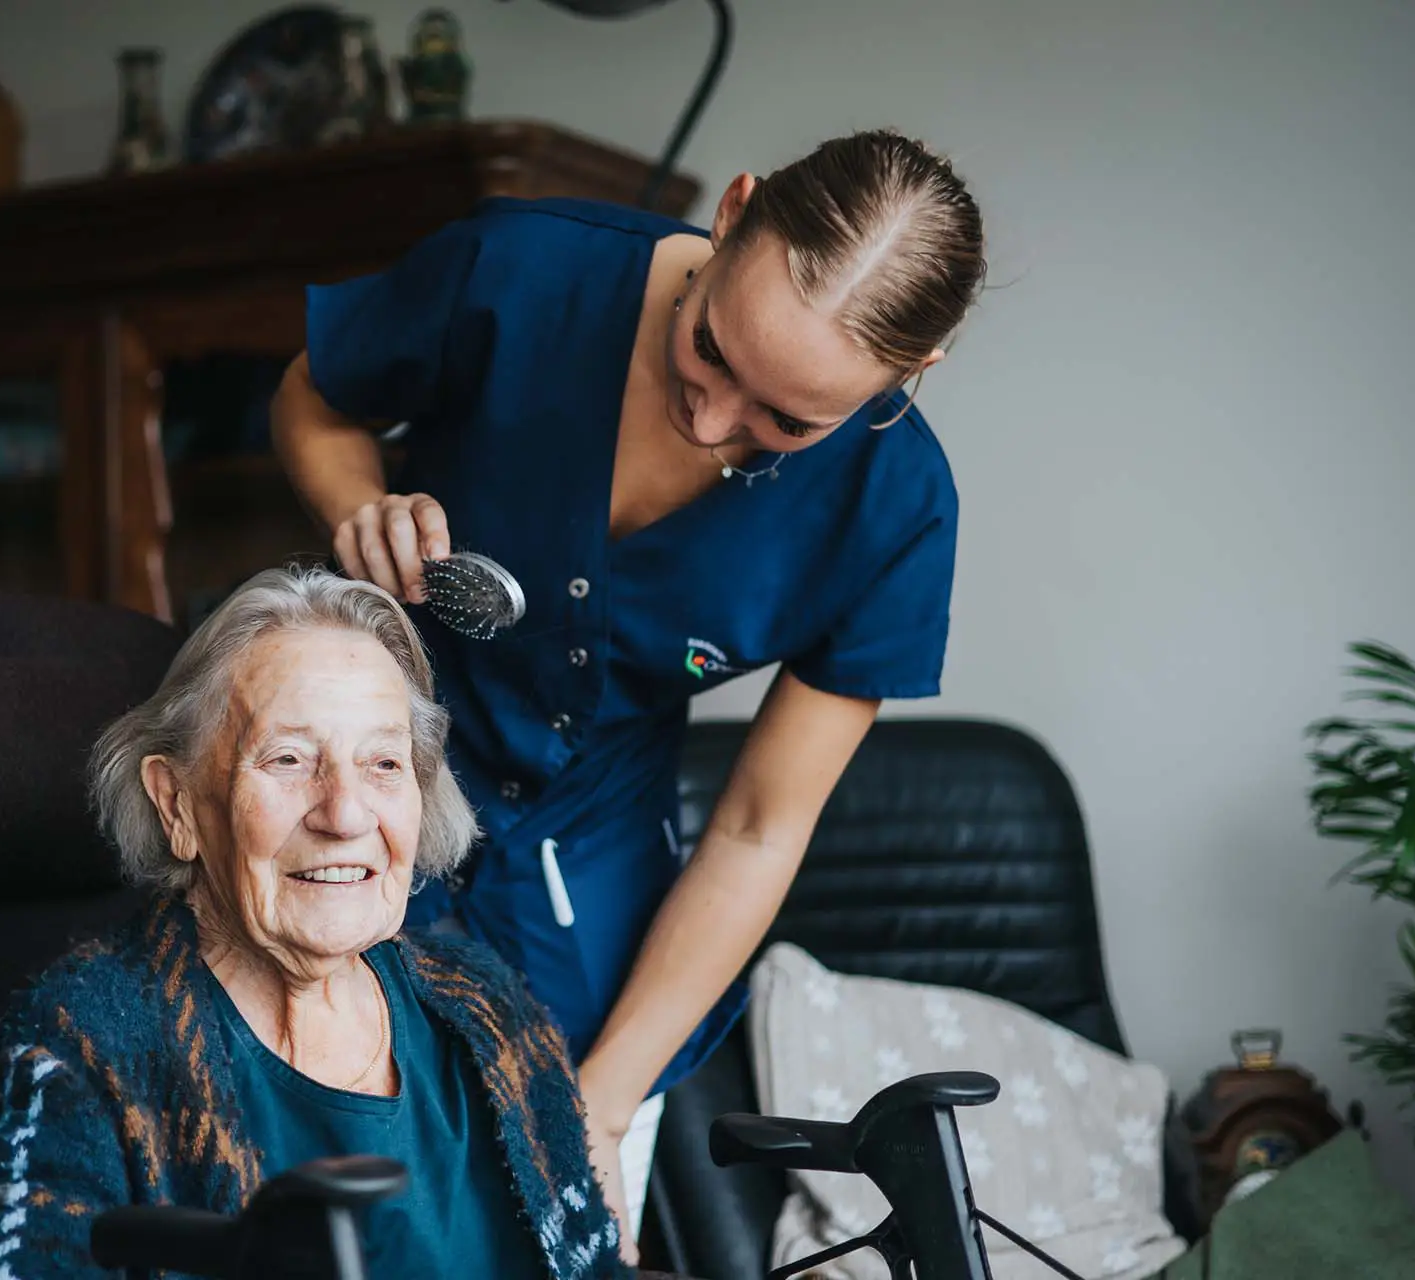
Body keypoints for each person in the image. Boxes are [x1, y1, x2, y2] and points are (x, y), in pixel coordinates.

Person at [270, 128, 987, 1253]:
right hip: (367, 746)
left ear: (911, 371)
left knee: (545, 1208)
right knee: (311, 1154)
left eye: (785, 423)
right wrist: (357, 502)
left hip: (592, 830)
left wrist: (601, 1105)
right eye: (711, 350)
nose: (710, 422)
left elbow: (758, 827)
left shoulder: (896, 514)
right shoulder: (522, 269)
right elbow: (316, 395)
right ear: (735, 211)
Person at [0, 565, 630, 1280]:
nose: (345, 813)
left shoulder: (487, 1009)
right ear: (177, 804)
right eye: (289, 758)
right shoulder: (89, 1043)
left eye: (384, 763)